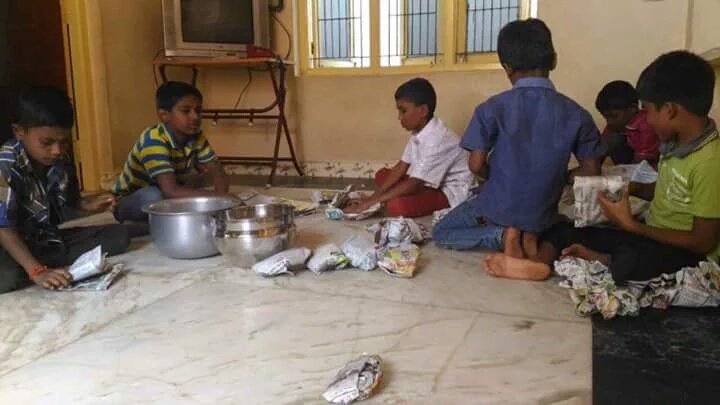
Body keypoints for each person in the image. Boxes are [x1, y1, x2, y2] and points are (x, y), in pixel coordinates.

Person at [484, 51, 720, 283]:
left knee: (632, 261)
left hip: (686, 254)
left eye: (647, 111)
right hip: (650, 236)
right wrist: (631, 189)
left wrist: (632, 226)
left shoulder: (710, 163)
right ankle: (539, 265)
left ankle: (603, 258)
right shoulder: (675, 146)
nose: (646, 120)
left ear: (669, 110)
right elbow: (669, 190)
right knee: (560, 227)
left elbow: (702, 242)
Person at [432, 18, 603, 260]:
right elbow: (592, 170)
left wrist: (501, 178)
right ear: (553, 60)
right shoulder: (577, 114)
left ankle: (501, 236)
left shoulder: (491, 108)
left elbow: (476, 165)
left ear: (507, 67)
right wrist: (557, 177)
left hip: (496, 208)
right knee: (558, 224)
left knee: (442, 231)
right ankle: (529, 235)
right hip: (542, 213)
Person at [0, 86, 139, 293]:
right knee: (7, 278)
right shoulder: (5, 165)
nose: (57, 150)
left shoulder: (61, 159)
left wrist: (90, 206)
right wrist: (37, 271)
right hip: (6, 239)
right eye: (47, 142)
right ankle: (27, 264)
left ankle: (31, 262)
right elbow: (4, 227)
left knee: (118, 237)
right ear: (19, 132)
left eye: (63, 142)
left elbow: (70, 202)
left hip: (40, 237)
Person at [343, 78, 473, 218]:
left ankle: (388, 202)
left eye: (403, 111)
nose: (399, 117)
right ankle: (386, 200)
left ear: (423, 110)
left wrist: (371, 203)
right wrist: (372, 199)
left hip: (448, 192)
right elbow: (401, 166)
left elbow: (415, 183)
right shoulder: (419, 131)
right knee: (383, 174)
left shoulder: (439, 139)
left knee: (398, 206)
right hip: (426, 185)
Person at [112, 81, 230, 222]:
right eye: (186, 111)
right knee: (154, 196)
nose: (195, 117)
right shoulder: (153, 140)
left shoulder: (196, 136)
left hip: (168, 192)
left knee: (197, 182)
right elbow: (170, 191)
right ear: (164, 115)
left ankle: (168, 216)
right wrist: (218, 198)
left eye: (198, 111)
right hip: (131, 200)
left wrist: (221, 199)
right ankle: (142, 222)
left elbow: (218, 172)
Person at [596, 80, 660, 165]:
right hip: (635, 157)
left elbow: (644, 159)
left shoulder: (646, 124)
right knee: (611, 139)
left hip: (652, 162)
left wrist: (628, 172)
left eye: (614, 116)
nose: (609, 121)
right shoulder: (616, 125)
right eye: (606, 117)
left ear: (633, 108)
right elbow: (602, 147)